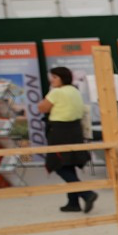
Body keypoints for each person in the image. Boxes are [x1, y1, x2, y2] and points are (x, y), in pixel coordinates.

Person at [36, 66, 96, 212]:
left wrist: (50, 92)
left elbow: (42, 108)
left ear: (63, 78)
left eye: (55, 77)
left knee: (58, 166)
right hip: (74, 131)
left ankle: (87, 194)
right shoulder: (75, 90)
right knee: (68, 165)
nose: (52, 80)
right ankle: (73, 203)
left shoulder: (56, 92)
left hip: (59, 133)